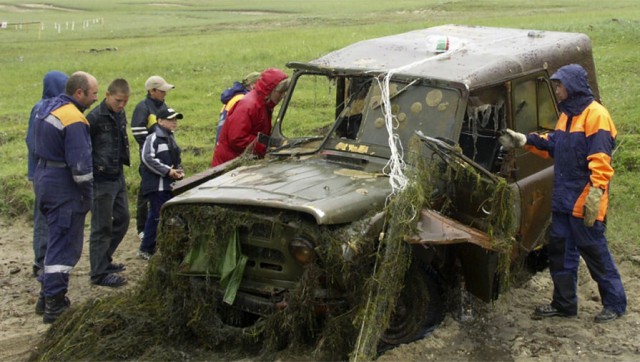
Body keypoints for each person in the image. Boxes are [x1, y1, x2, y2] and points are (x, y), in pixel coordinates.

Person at [499, 64, 627, 323]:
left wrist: (595, 194)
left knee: (595, 253)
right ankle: (564, 304)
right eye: (556, 85)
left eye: (559, 85)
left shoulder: (596, 116)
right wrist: (525, 140)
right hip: (563, 200)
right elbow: (554, 144)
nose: (556, 90)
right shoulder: (568, 116)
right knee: (560, 253)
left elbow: (601, 160)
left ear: (572, 86)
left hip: (584, 201)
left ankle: (615, 304)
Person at [33, 71, 98, 323]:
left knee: (52, 240)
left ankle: (45, 296)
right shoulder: (73, 118)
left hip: (44, 177)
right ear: (79, 93)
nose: (95, 98)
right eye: (93, 93)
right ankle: (55, 304)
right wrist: (88, 195)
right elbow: (81, 167)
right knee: (65, 245)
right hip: (64, 187)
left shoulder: (46, 108)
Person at [86, 79, 131, 288]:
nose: (121, 105)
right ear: (107, 95)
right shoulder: (94, 118)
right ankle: (98, 272)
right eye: (118, 101)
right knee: (101, 226)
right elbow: (86, 147)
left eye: (125, 101)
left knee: (123, 219)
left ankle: (105, 259)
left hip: (117, 174)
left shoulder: (120, 114)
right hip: (101, 178)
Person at [25, 70, 68, 278]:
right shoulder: (41, 108)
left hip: (44, 170)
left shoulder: (52, 107)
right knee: (43, 216)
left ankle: (49, 258)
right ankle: (40, 260)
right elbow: (34, 142)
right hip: (43, 171)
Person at [211, 68, 289, 167]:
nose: (283, 96)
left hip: (240, 162)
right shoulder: (249, 105)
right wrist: (264, 147)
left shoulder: (264, 104)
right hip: (228, 166)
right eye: (280, 92)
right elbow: (237, 139)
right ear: (270, 90)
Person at [131, 75, 174, 242]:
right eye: (162, 91)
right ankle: (141, 228)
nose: (165, 93)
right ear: (152, 91)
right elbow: (137, 132)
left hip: (164, 154)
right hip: (148, 156)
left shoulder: (162, 105)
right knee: (145, 191)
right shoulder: (142, 107)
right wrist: (153, 146)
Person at [138, 108, 184, 260]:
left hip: (168, 185)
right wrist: (167, 171)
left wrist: (179, 171)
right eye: (171, 119)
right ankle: (147, 248)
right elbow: (147, 159)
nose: (174, 122)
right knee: (158, 216)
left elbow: (176, 160)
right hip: (156, 185)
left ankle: (151, 247)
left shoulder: (171, 138)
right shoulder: (153, 138)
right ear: (160, 121)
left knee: (158, 216)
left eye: (175, 119)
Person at [213, 71, 261, 148]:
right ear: (252, 85)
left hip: (222, 144)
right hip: (230, 146)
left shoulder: (234, 97)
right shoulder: (243, 100)